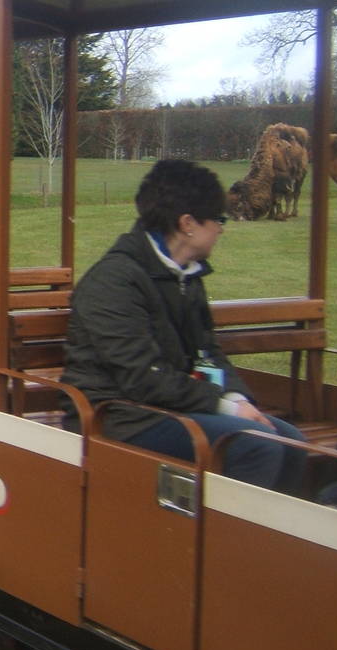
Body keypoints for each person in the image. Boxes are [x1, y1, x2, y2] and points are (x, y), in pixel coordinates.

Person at [64, 159, 309, 492]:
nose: (223, 228)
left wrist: (237, 398)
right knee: (258, 445)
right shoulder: (112, 282)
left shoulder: (187, 274)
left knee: (291, 440)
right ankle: (228, 541)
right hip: (121, 416)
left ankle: (280, 538)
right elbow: (142, 377)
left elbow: (208, 352)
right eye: (218, 219)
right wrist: (223, 406)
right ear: (188, 223)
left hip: (167, 407)